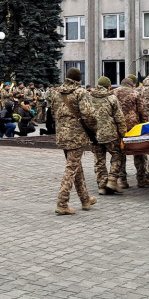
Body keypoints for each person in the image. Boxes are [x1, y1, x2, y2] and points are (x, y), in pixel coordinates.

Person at [52, 67, 97, 214]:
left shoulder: (57, 92)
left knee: (76, 167)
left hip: (62, 135)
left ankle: (85, 199)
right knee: (71, 168)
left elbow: (53, 113)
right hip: (77, 136)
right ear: (79, 79)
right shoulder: (80, 92)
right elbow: (89, 114)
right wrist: (94, 128)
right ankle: (62, 203)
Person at [87, 77, 128, 195]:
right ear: (109, 87)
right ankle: (112, 179)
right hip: (110, 134)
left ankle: (102, 186)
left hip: (94, 135)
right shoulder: (112, 98)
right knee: (118, 155)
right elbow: (119, 118)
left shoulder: (88, 98)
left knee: (99, 160)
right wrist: (123, 134)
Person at [113, 75, 148, 188]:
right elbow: (141, 111)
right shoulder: (135, 93)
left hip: (118, 127)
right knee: (138, 152)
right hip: (133, 127)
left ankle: (123, 180)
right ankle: (141, 179)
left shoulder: (113, 93)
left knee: (120, 153)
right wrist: (144, 125)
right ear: (131, 85)